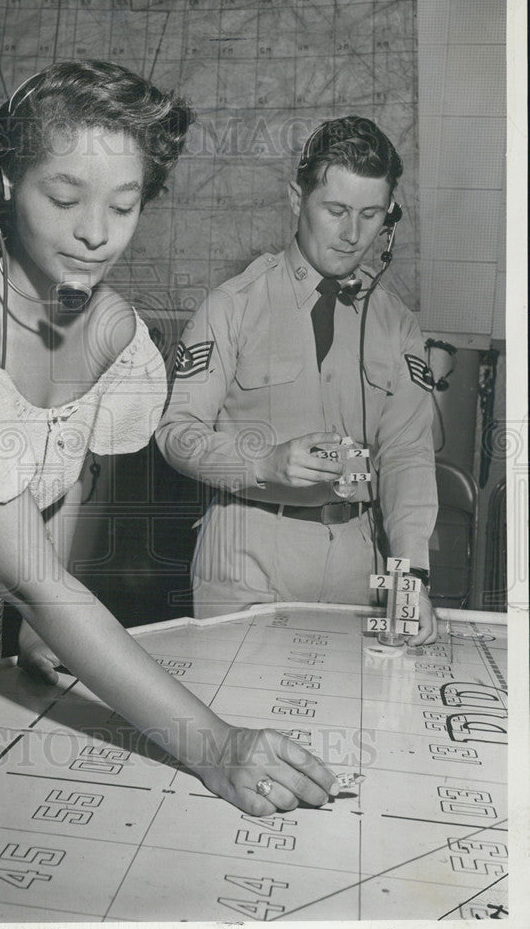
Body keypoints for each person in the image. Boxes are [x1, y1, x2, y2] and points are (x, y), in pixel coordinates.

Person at [0, 60, 339, 816]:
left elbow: (71, 467)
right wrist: (215, 745)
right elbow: (31, 581)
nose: (96, 234)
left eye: (125, 204)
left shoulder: (114, 334)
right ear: (7, 184)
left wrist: (36, 630)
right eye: (65, 197)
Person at [156, 115, 438, 646]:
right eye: (335, 211)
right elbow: (176, 432)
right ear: (296, 200)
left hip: (360, 565)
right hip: (245, 555)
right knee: (236, 723)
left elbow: (406, 453)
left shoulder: (397, 325)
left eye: (371, 214)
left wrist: (412, 572)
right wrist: (262, 462)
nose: (353, 234)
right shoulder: (232, 306)